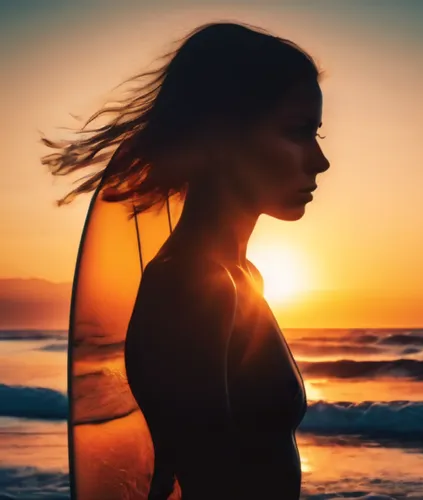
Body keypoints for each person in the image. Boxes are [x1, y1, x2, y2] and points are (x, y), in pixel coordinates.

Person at [42, 21, 329, 500]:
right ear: (222, 138)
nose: (319, 160)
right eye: (298, 132)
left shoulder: (240, 278)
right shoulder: (191, 287)